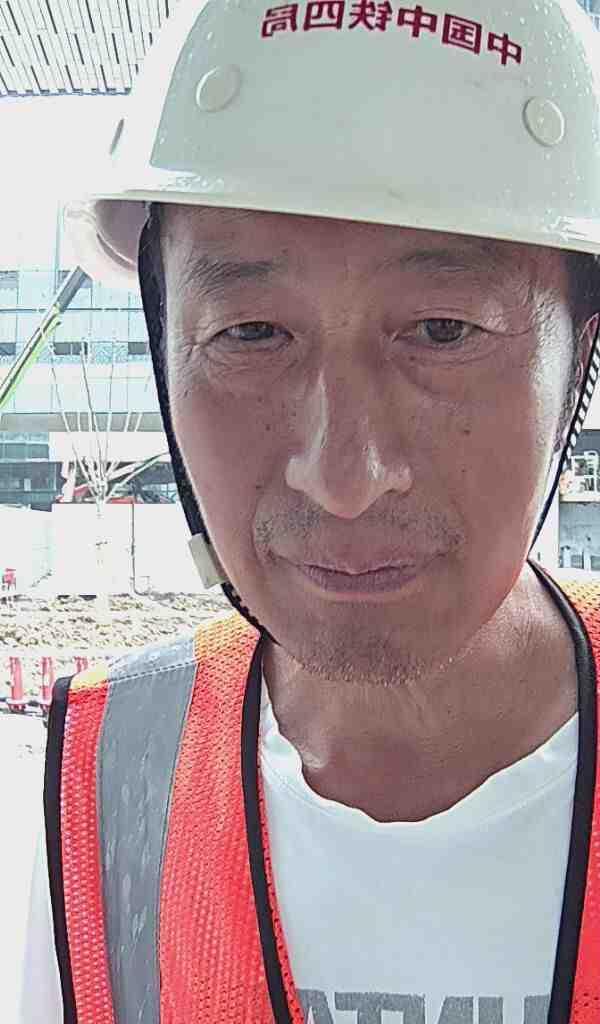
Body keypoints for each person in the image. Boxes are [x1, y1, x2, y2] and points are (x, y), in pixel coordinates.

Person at [17, 1, 600, 1022]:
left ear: (578, 365)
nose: (343, 476)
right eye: (250, 333)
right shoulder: (109, 781)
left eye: (442, 329)